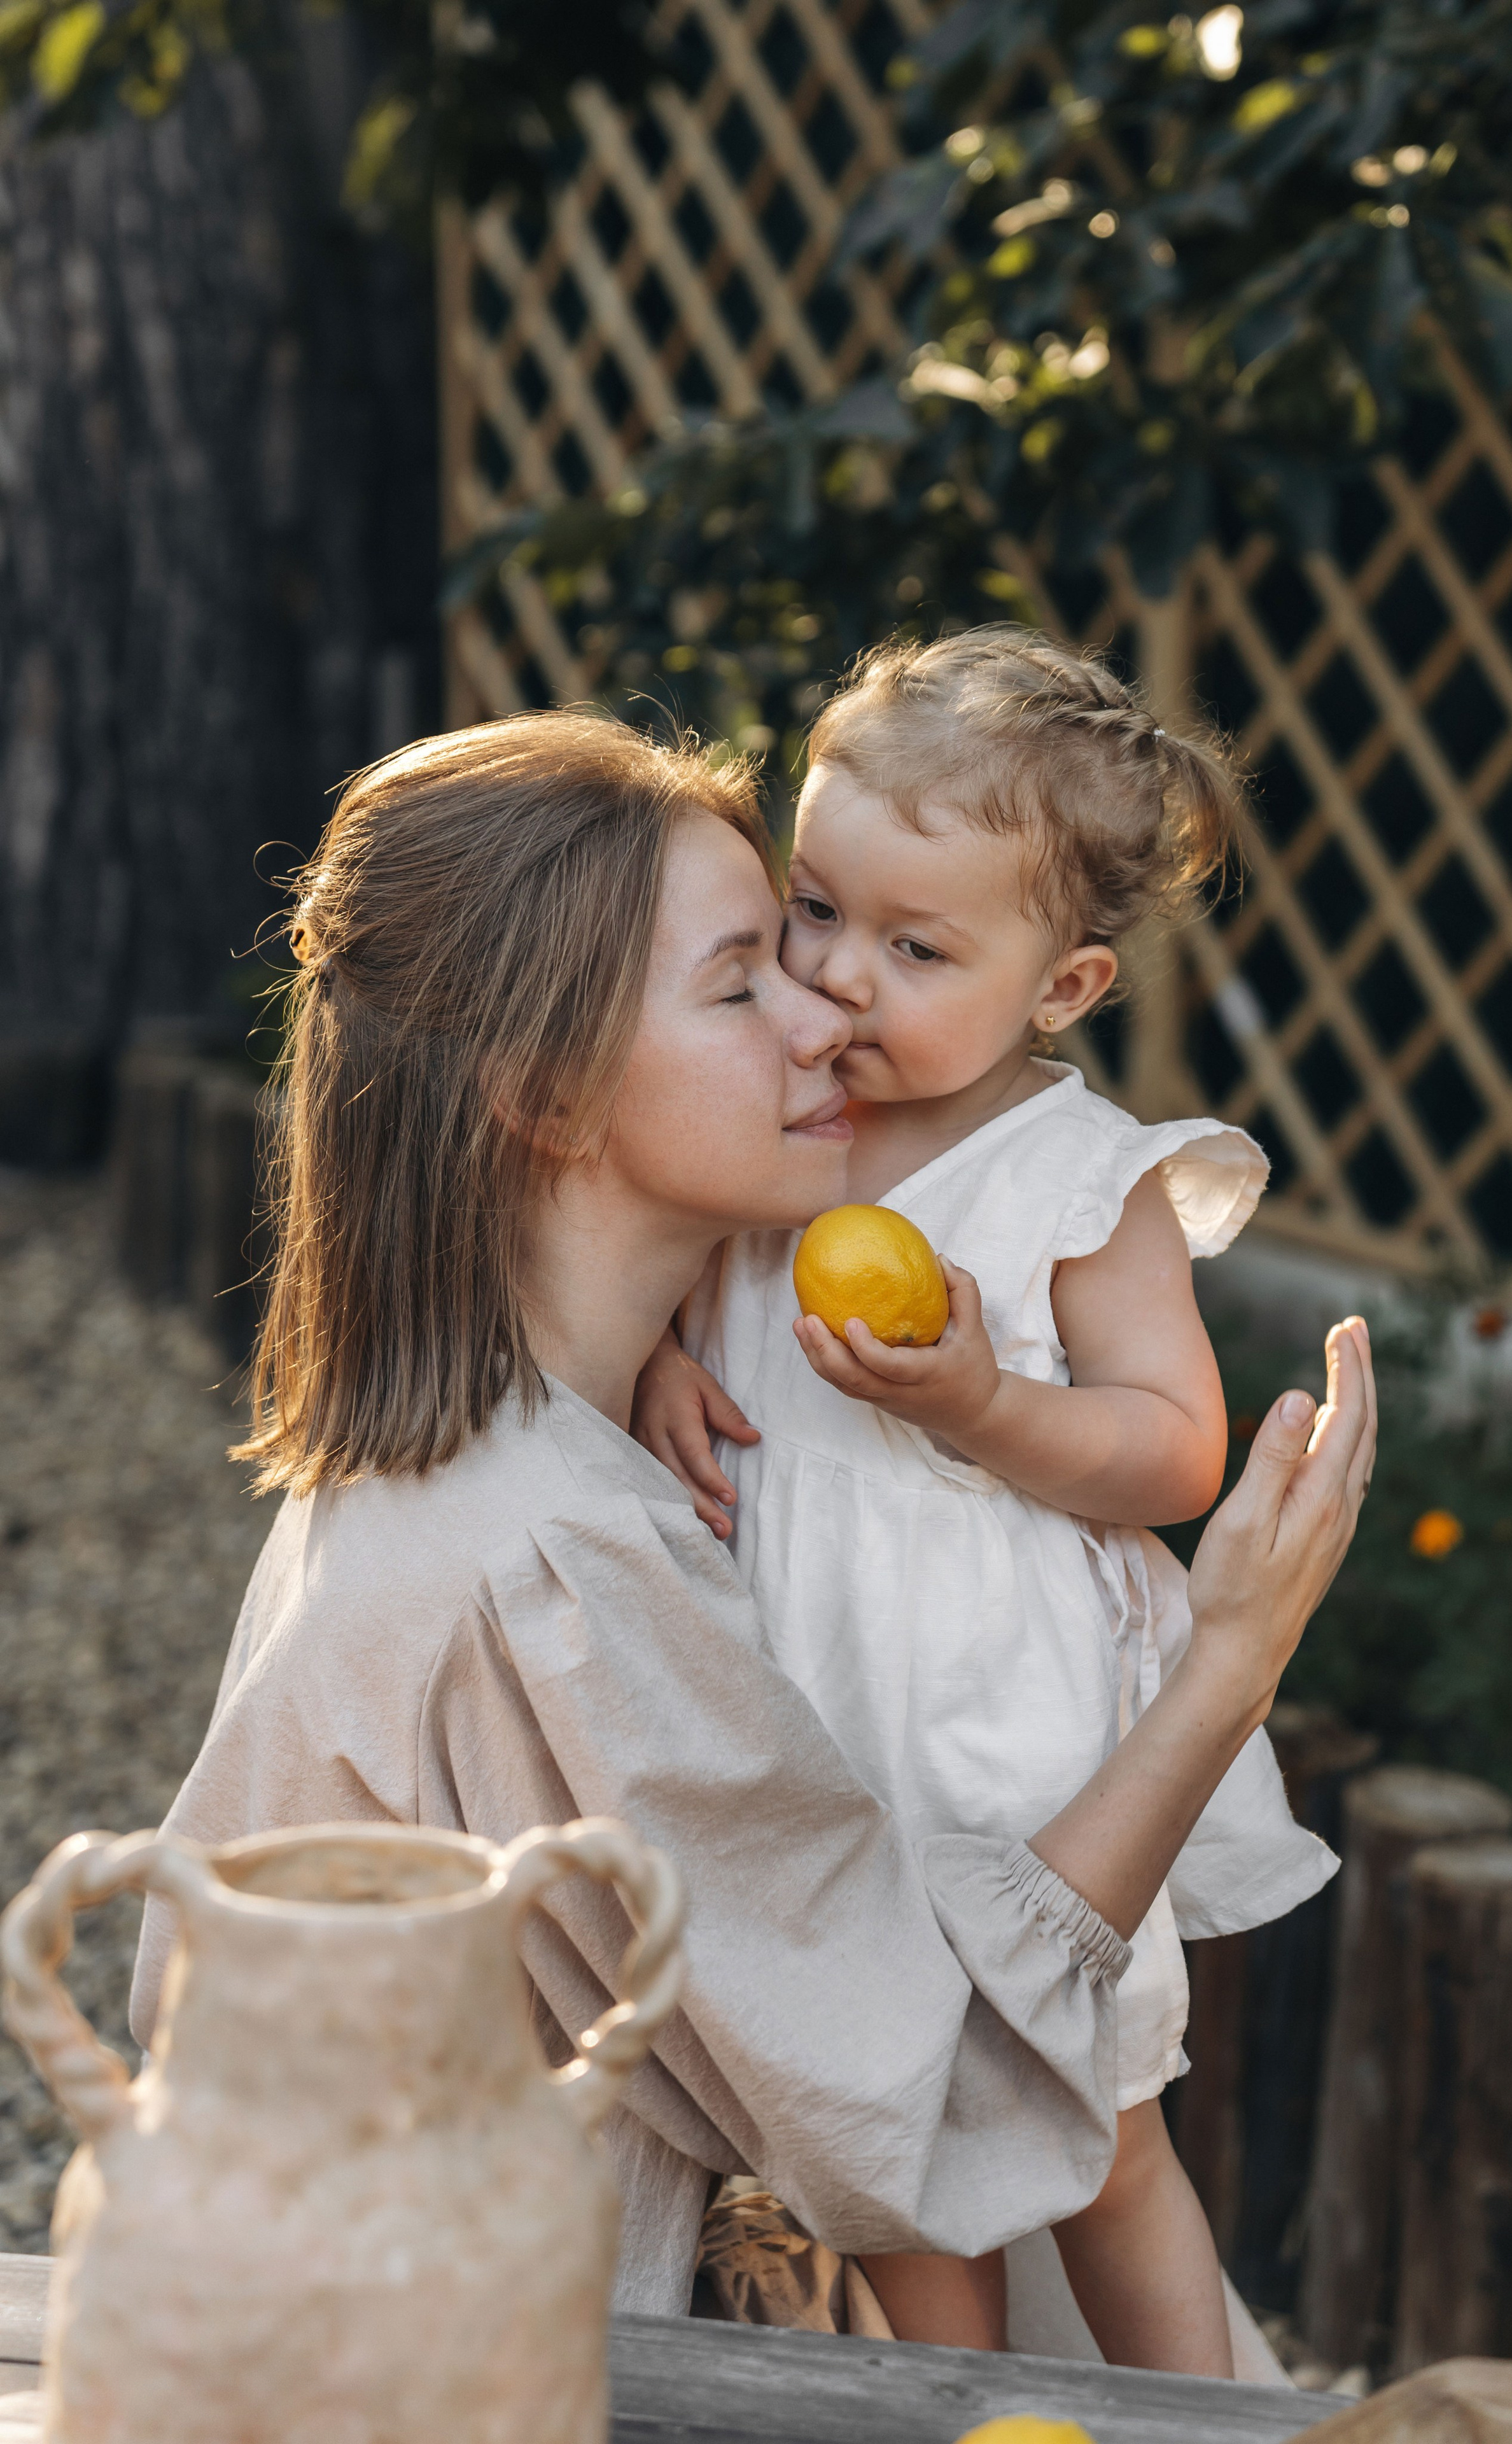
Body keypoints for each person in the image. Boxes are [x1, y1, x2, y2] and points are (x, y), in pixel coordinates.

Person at [130, 712, 1375, 2335]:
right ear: (546, 1096)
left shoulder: (487, 1455)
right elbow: (935, 2105)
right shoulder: (554, 1568)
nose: (828, 1010)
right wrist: (1229, 1663)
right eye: (752, 971)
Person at [633, 630, 1327, 2370]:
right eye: (813, 911)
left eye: (916, 947)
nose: (838, 980)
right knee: (890, 2168)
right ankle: (950, 2415)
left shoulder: (1081, 1182)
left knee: (1097, 2145)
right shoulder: (776, 1108)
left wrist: (983, 1401)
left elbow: (1172, 1450)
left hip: (1018, 1765)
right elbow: (662, 1270)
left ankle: (1201, 2427)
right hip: (819, 1745)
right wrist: (657, 1359)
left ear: (1063, 988)